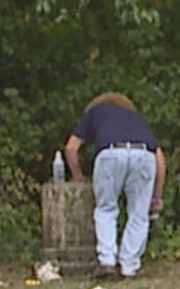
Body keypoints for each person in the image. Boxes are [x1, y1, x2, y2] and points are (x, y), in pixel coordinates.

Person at [61, 92, 167, 279]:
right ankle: (129, 267)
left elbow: (71, 148)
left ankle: (107, 261)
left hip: (110, 153)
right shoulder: (136, 118)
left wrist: (78, 176)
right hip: (144, 155)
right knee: (139, 214)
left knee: (106, 208)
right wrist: (157, 196)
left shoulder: (95, 112)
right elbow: (160, 158)